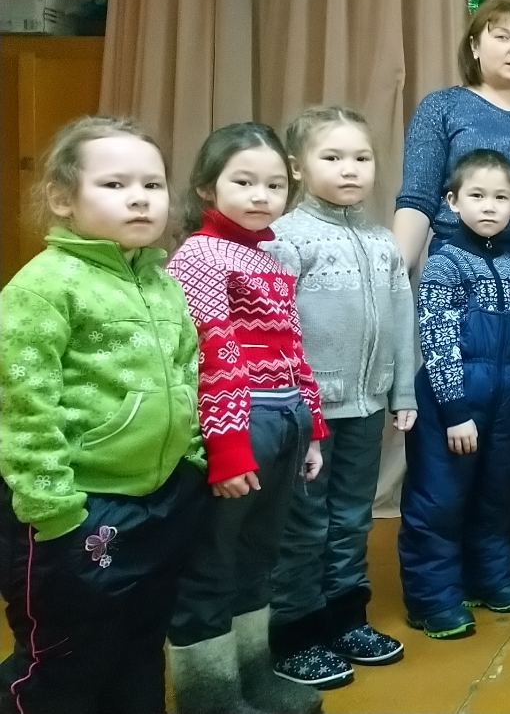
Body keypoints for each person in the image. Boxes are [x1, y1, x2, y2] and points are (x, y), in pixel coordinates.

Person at [0, 118, 207, 714]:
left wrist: (192, 464)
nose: (139, 198)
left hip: (161, 501)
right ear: (62, 198)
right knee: (67, 660)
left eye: (152, 184)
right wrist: (55, 512)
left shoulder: (162, 282)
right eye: (114, 185)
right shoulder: (43, 287)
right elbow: (25, 408)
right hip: (77, 508)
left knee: (139, 645)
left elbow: (186, 374)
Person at [393, 0, 510, 584]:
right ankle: (455, 552)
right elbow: (418, 196)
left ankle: (506, 539)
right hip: (466, 270)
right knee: (471, 404)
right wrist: (394, 273)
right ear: (475, 46)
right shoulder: (442, 107)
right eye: (501, 36)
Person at [165, 123, 329, 714]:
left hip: (284, 416)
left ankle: (253, 678)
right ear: (207, 188)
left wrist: (312, 428)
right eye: (244, 182)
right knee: (213, 562)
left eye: (274, 185)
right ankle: (210, 697)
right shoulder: (199, 254)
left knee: (259, 555)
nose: (261, 196)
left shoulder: (269, 254)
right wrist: (228, 448)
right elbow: (211, 352)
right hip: (239, 421)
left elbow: (291, 345)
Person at [263, 107, 416, 688]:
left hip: (367, 405)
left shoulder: (382, 242)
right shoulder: (284, 238)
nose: (350, 169)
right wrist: (290, 401)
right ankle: (295, 632)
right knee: (303, 523)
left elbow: (402, 318)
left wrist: (402, 391)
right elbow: (273, 331)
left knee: (353, 517)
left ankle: (345, 618)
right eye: (332, 157)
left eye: (361, 157)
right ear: (297, 168)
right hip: (308, 413)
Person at [398, 150, 510, 640]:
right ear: (453, 201)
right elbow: (436, 338)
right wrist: (455, 410)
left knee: (496, 497)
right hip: (455, 408)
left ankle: (489, 579)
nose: (489, 206)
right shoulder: (444, 265)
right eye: (477, 195)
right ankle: (432, 599)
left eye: (500, 197)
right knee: (439, 500)